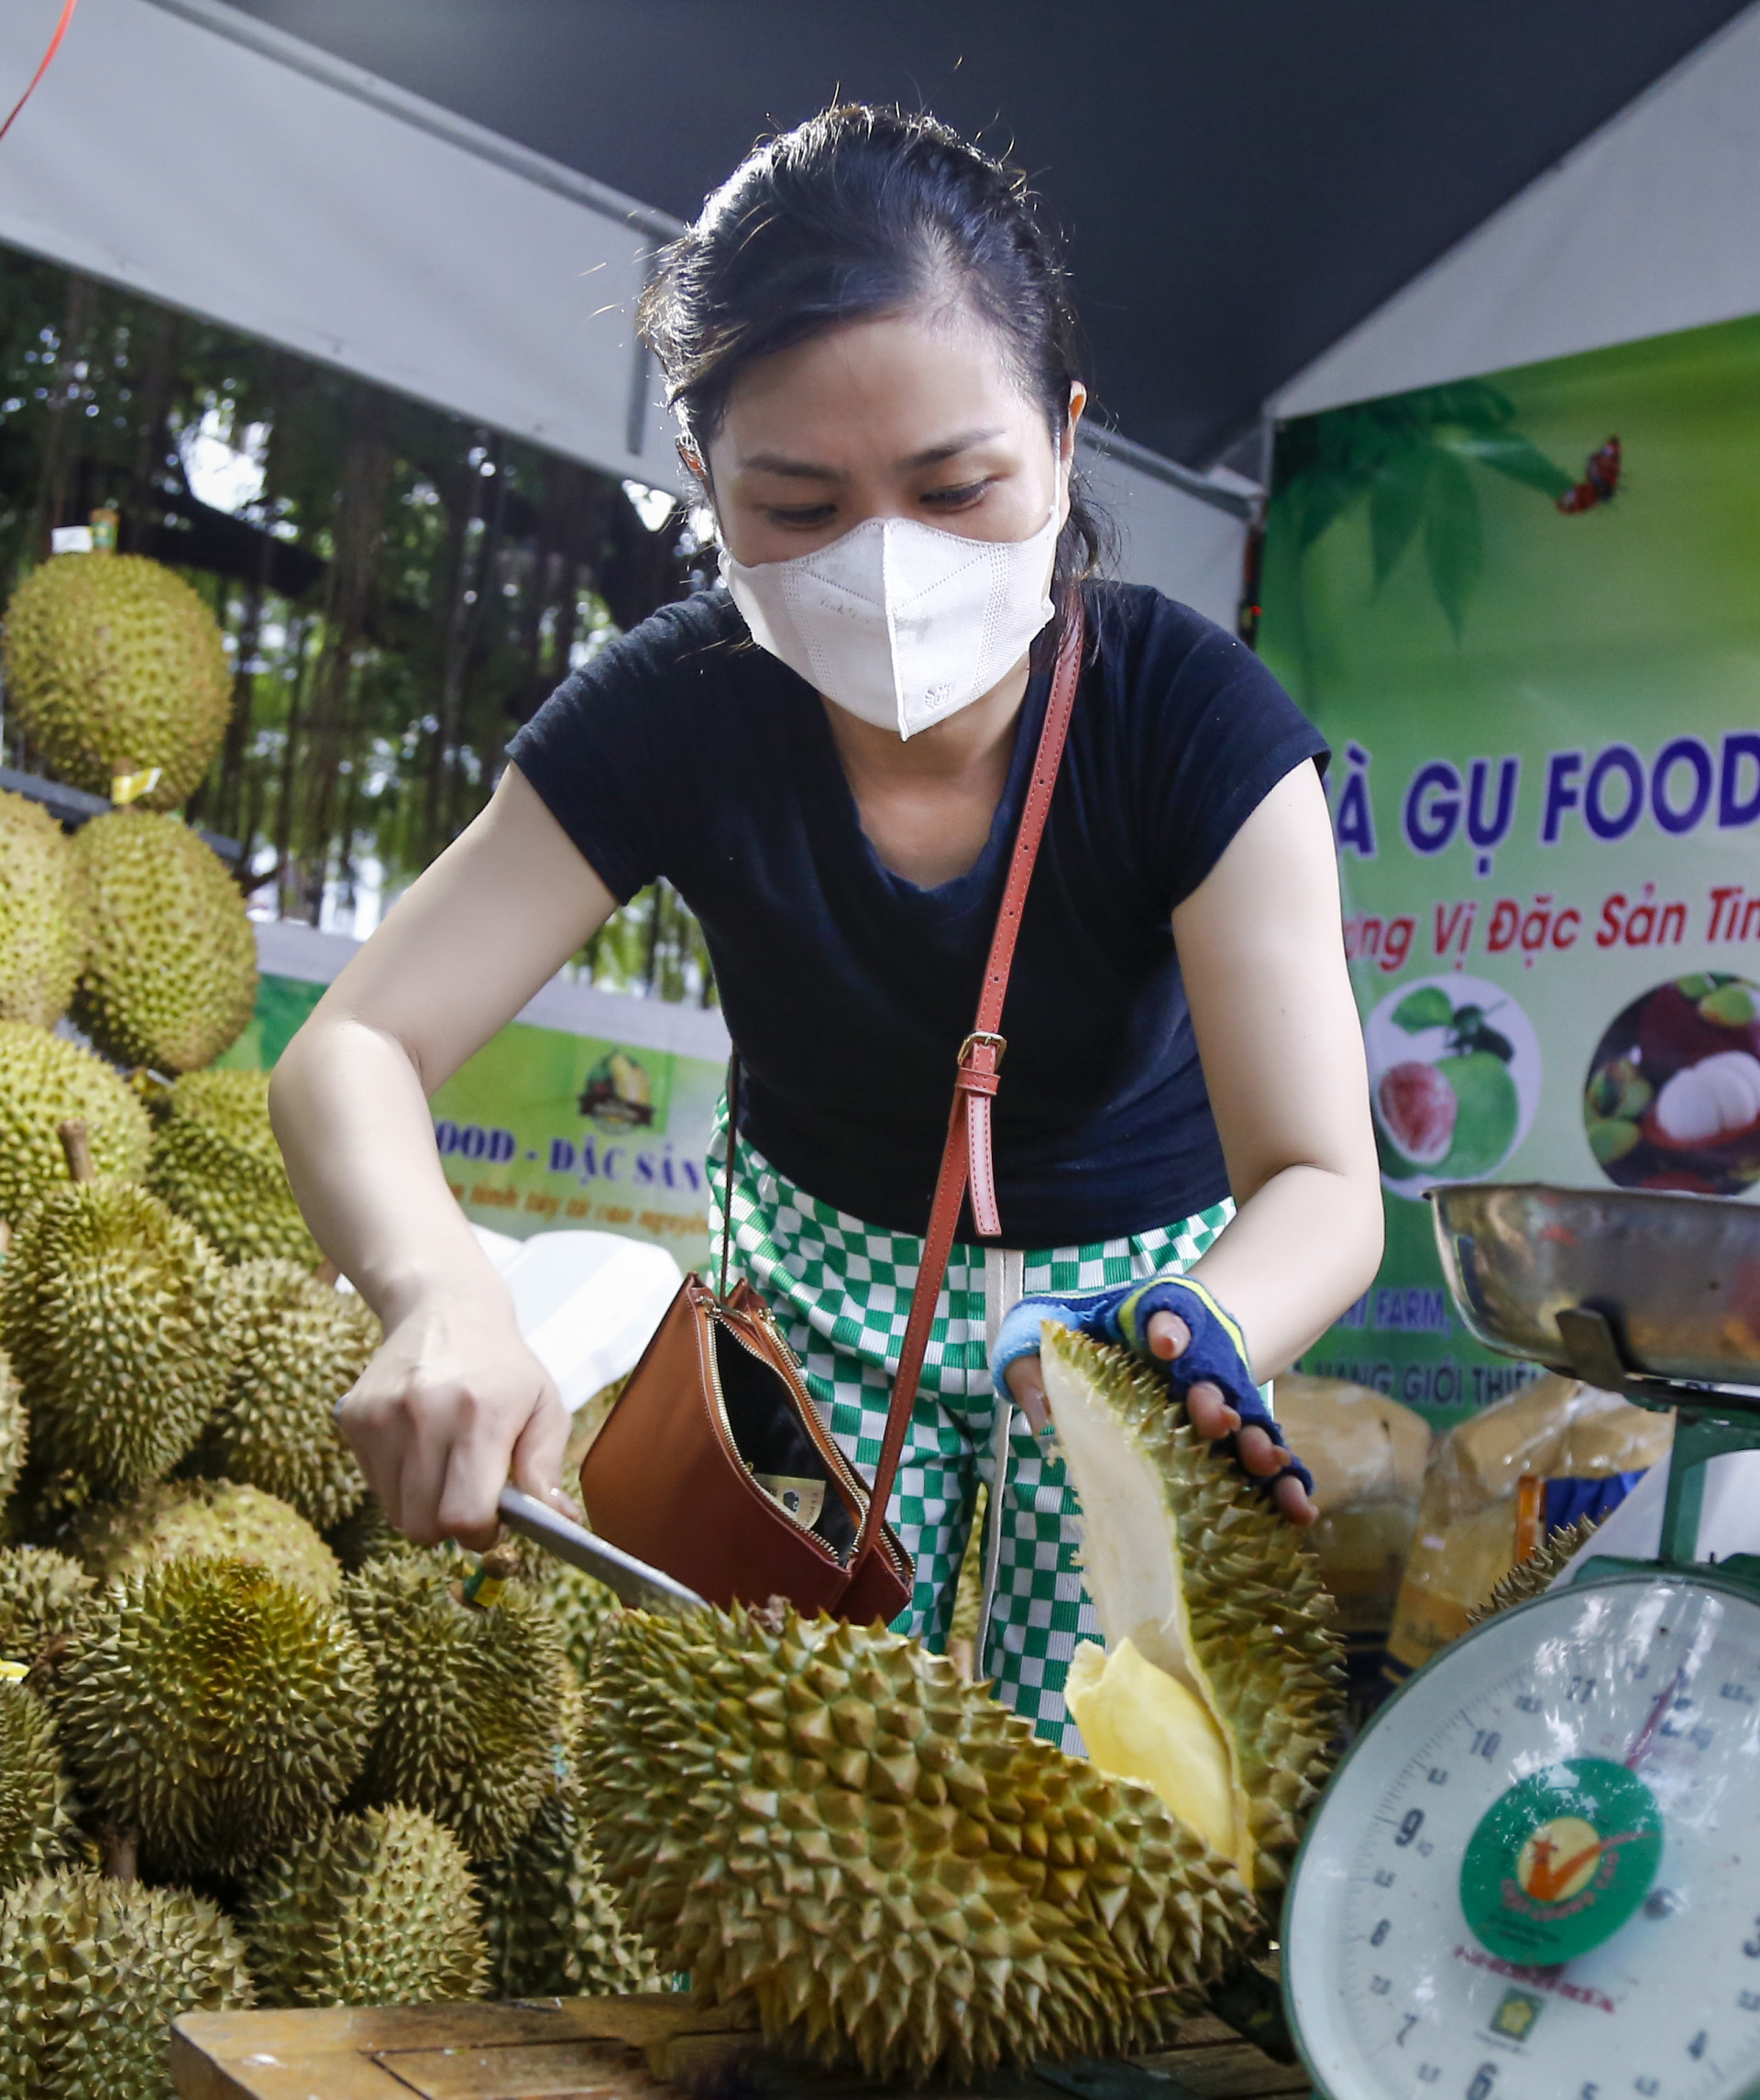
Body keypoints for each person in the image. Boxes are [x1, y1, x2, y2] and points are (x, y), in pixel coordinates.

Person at [270, 104, 1383, 1750]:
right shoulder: (675, 711)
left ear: (1066, 443)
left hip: (1148, 1325)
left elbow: (1319, 1184)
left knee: (1096, 1821)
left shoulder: (1190, 722)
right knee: (773, 1788)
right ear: (703, 487)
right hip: (814, 1322)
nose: (887, 565)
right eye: (796, 508)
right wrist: (439, 1291)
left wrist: (1193, 1344)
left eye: (957, 486)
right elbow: (356, 1045)